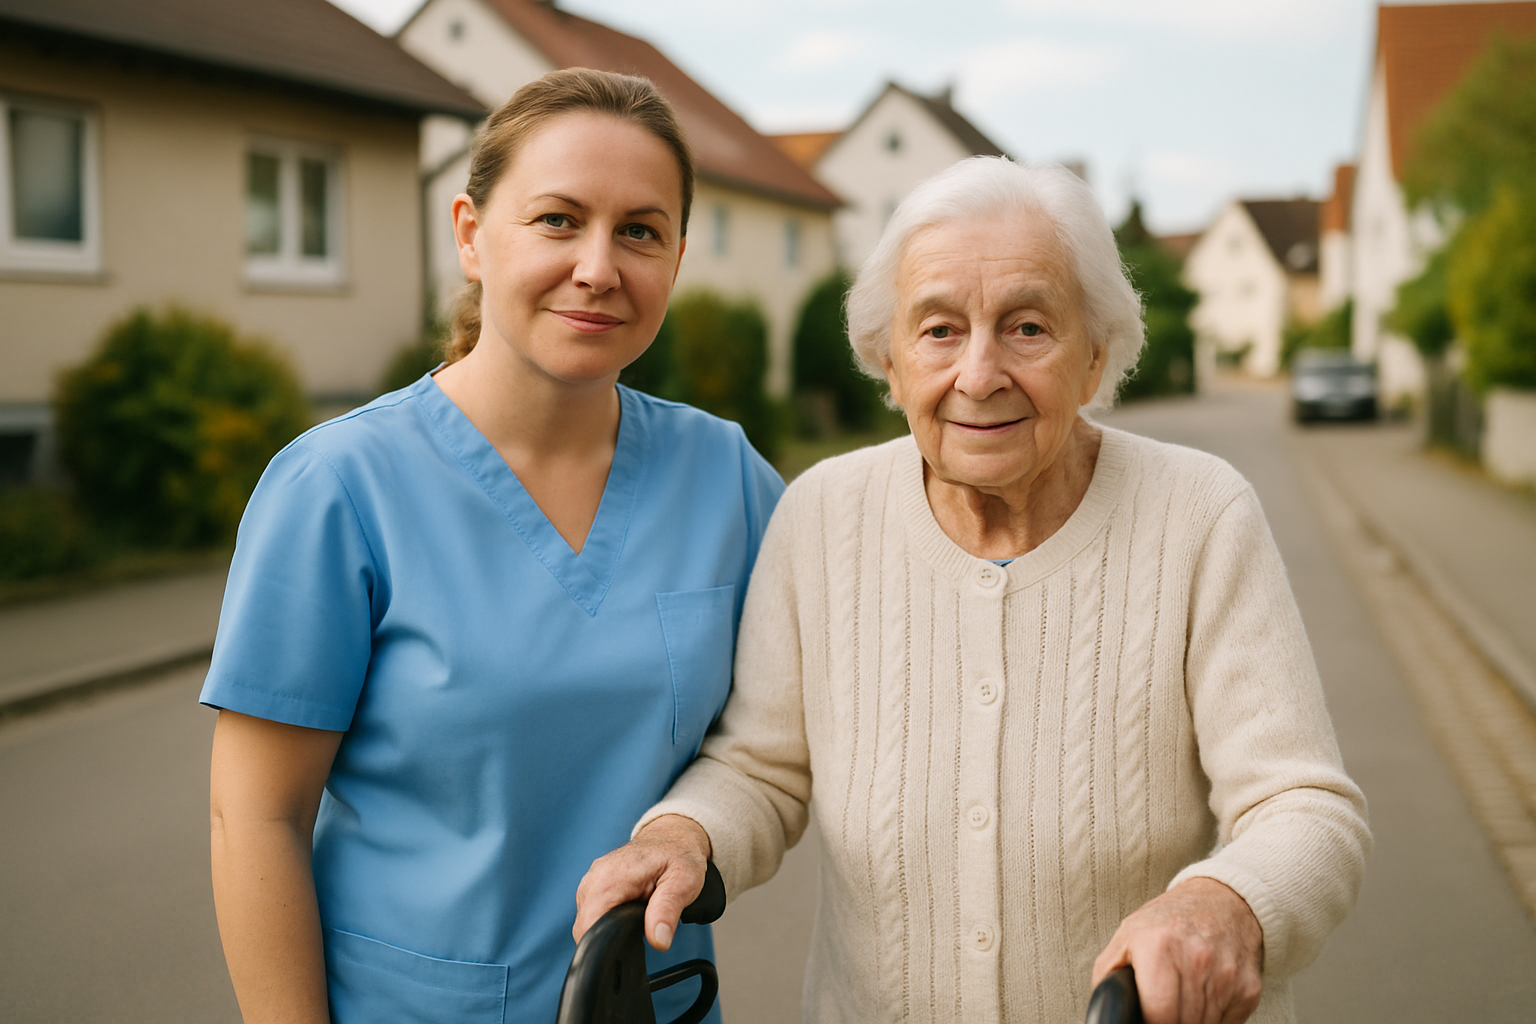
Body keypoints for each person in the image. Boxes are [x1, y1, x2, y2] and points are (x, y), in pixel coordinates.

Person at [575, 157, 1371, 1024]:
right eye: (940, 330)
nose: (980, 374)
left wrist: (1227, 903)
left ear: (1096, 354)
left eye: (1028, 327)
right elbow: (759, 768)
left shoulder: (1199, 514)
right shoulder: (822, 515)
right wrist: (682, 834)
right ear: (889, 361)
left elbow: (1301, 804)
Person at [203, 68, 782, 1024]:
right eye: (558, 220)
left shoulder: (726, 477)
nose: (598, 267)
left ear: (676, 258)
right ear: (471, 235)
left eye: (640, 231)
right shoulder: (340, 489)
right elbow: (256, 817)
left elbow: (819, 710)